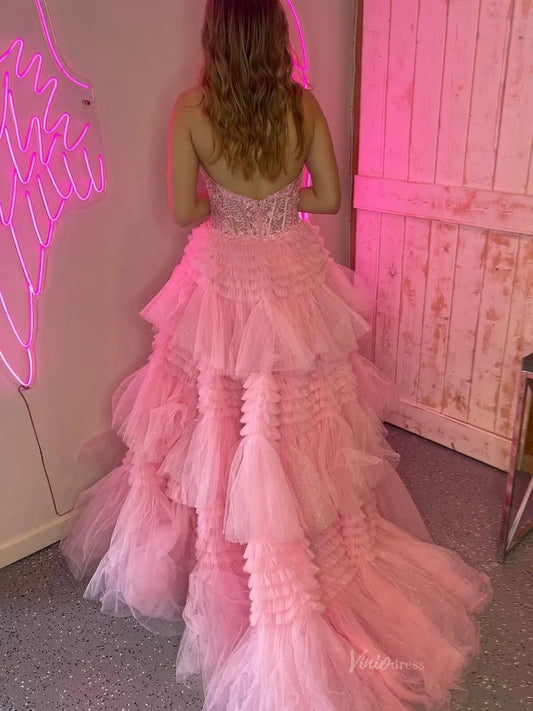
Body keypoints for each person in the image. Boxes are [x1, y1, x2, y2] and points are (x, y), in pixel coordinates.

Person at [60, 1, 493, 709]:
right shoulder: (302, 106)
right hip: (292, 272)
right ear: (275, 37)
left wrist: (232, 206)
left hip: (224, 275)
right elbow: (328, 195)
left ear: (214, 37)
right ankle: (306, 557)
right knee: (300, 420)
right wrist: (276, 204)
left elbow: (183, 210)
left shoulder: (192, 110)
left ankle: (226, 566)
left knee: (217, 416)